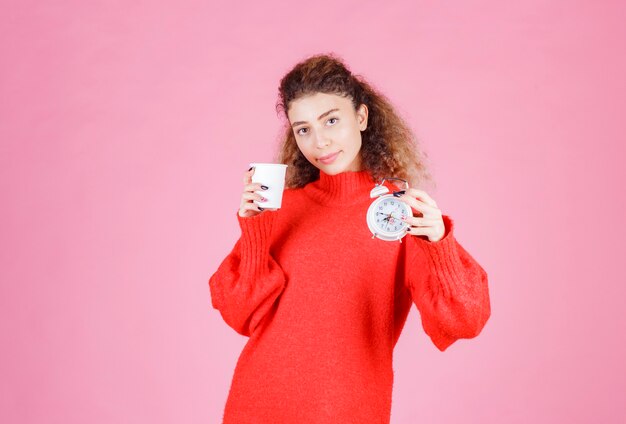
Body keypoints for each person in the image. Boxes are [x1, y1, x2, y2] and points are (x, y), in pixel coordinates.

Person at [208, 53, 491, 423]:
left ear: (361, 117)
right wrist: (256, 230)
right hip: (257, 406)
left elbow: (465, 321)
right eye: (303, 128)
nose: (320, 141)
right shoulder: (280, 210)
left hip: (349, 412)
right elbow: (238, 313)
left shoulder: (399, 214)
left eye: (331, 120)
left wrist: (440, 244)